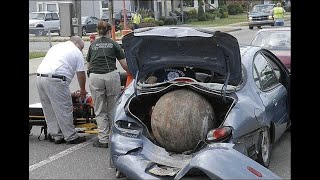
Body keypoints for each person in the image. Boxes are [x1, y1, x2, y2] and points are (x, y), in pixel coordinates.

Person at [36, 36, 87, 144]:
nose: (81, 50)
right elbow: (81, 73)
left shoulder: (57, 47)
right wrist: (83, 90)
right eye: (81, 48)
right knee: (64, 108)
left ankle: (57, 135)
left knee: (49, 108)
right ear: (77, 44)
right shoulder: (76, 52)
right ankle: (71, 136)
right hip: (56, 79)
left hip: (40, 77)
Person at [86, 21, 129, 148]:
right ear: (110, 31)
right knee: (113, 107)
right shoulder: (114, 44)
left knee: (99, 109)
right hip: (111, 75)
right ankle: (114, 137)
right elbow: (124, 64)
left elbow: (89, 65)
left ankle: (103, 139)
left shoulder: (93, 45)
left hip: (95, 76)